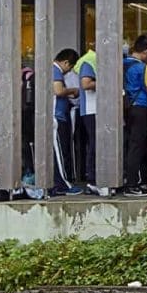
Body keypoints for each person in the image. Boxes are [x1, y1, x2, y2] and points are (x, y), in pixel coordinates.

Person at [122, 35, 147, 196]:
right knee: (138, 146)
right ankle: (133, 184)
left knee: (131, 145)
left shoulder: (122, 64)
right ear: (146, 51)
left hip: (128, 108)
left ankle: (131, 180)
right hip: (141, 107)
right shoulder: (141, 68)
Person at [46, 48, 82, 195]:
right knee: (59, 154)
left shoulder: (51, 69)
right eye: (71, 67)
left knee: (57, 153)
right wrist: (73, 91)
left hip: (56, 116)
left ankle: (57, 184)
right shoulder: (55, 70)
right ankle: (64, 185)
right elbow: (58, 90)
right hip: (56, 116)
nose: (69, 71)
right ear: (66, 62)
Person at [70, 44, 104, 195]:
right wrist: (107, 83)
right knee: (95, 144)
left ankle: (98, 178)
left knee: (99, 144)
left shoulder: (94, 59)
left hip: (99, 109)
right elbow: (86, 84)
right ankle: (93, 180)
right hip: (92, 109)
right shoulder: (89, 61)